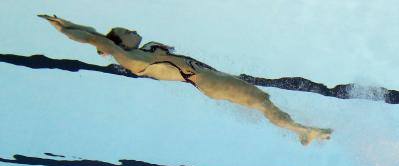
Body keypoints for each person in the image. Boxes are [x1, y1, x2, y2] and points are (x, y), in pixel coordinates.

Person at [38, 15, 332, 145]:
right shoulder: (134, 59)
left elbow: (99, 35)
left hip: (209, 78)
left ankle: (301, 131)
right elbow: (95, 40)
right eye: (127, 30)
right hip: (205, 81)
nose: (133, 29)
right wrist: (65, 31)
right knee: (262, 102)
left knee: (261, 101)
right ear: (123, 43)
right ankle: (302, 131)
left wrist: (67, 22)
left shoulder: (141, 50)